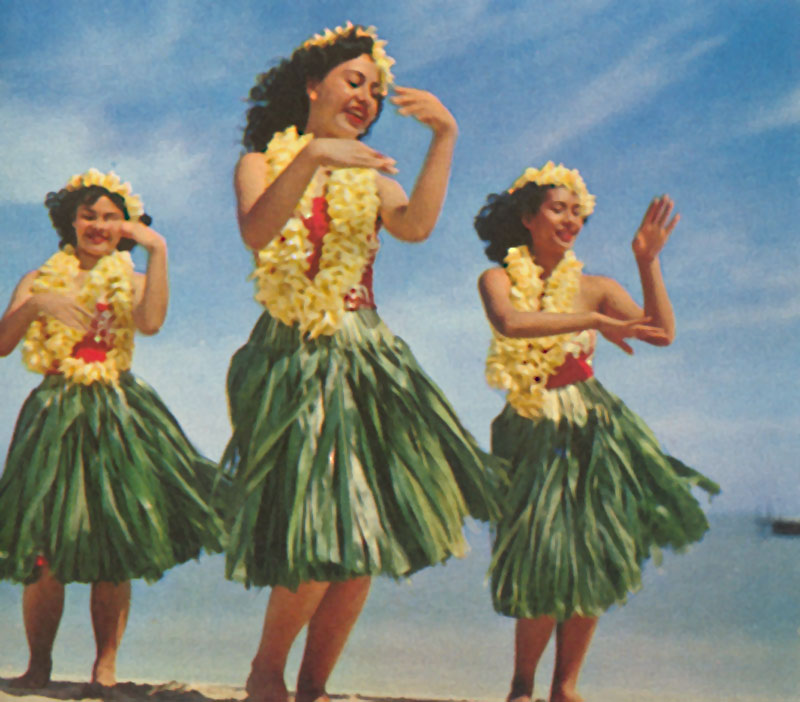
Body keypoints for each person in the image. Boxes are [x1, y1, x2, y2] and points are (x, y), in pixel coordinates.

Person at [223, 22, 498, 702]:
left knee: (359, 541)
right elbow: (258, 231)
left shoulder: (371, 175)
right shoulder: (261, 162)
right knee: (319, 529)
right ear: (313, 85)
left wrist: (444, 137)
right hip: (291, 356)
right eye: (355, 81)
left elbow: (415, 227)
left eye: (375, 91)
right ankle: (265, 672)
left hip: (366, 356)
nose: (367, 98)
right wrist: (314, 157)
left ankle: (312, 687)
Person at [475, 162, 719, 702]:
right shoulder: (498, 279)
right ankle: (521, 685)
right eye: (558, 209)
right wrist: (593, 322)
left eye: (578, 212)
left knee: (591, 551)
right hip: (530, 425)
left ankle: (566, 686)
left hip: (592, 424)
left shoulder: (597, 287)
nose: (571, 220)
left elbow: (662, 333)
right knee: (540, 552)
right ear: (527, 217)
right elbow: (511, 323)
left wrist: (647, 262)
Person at [0, 169, 225, 689]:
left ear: (126, 226)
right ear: (71, 221)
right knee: (44, 548)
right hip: (53, 412)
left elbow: (151, 323)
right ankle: (38, 668)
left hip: (116, 412)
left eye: (110, 218)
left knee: (113, 544)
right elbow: (3, 343)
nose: (99, 226)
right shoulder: (37, 279)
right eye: (89, 216)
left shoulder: (135, 278)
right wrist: (39, 304)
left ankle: (105, 670)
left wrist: (158, 250)